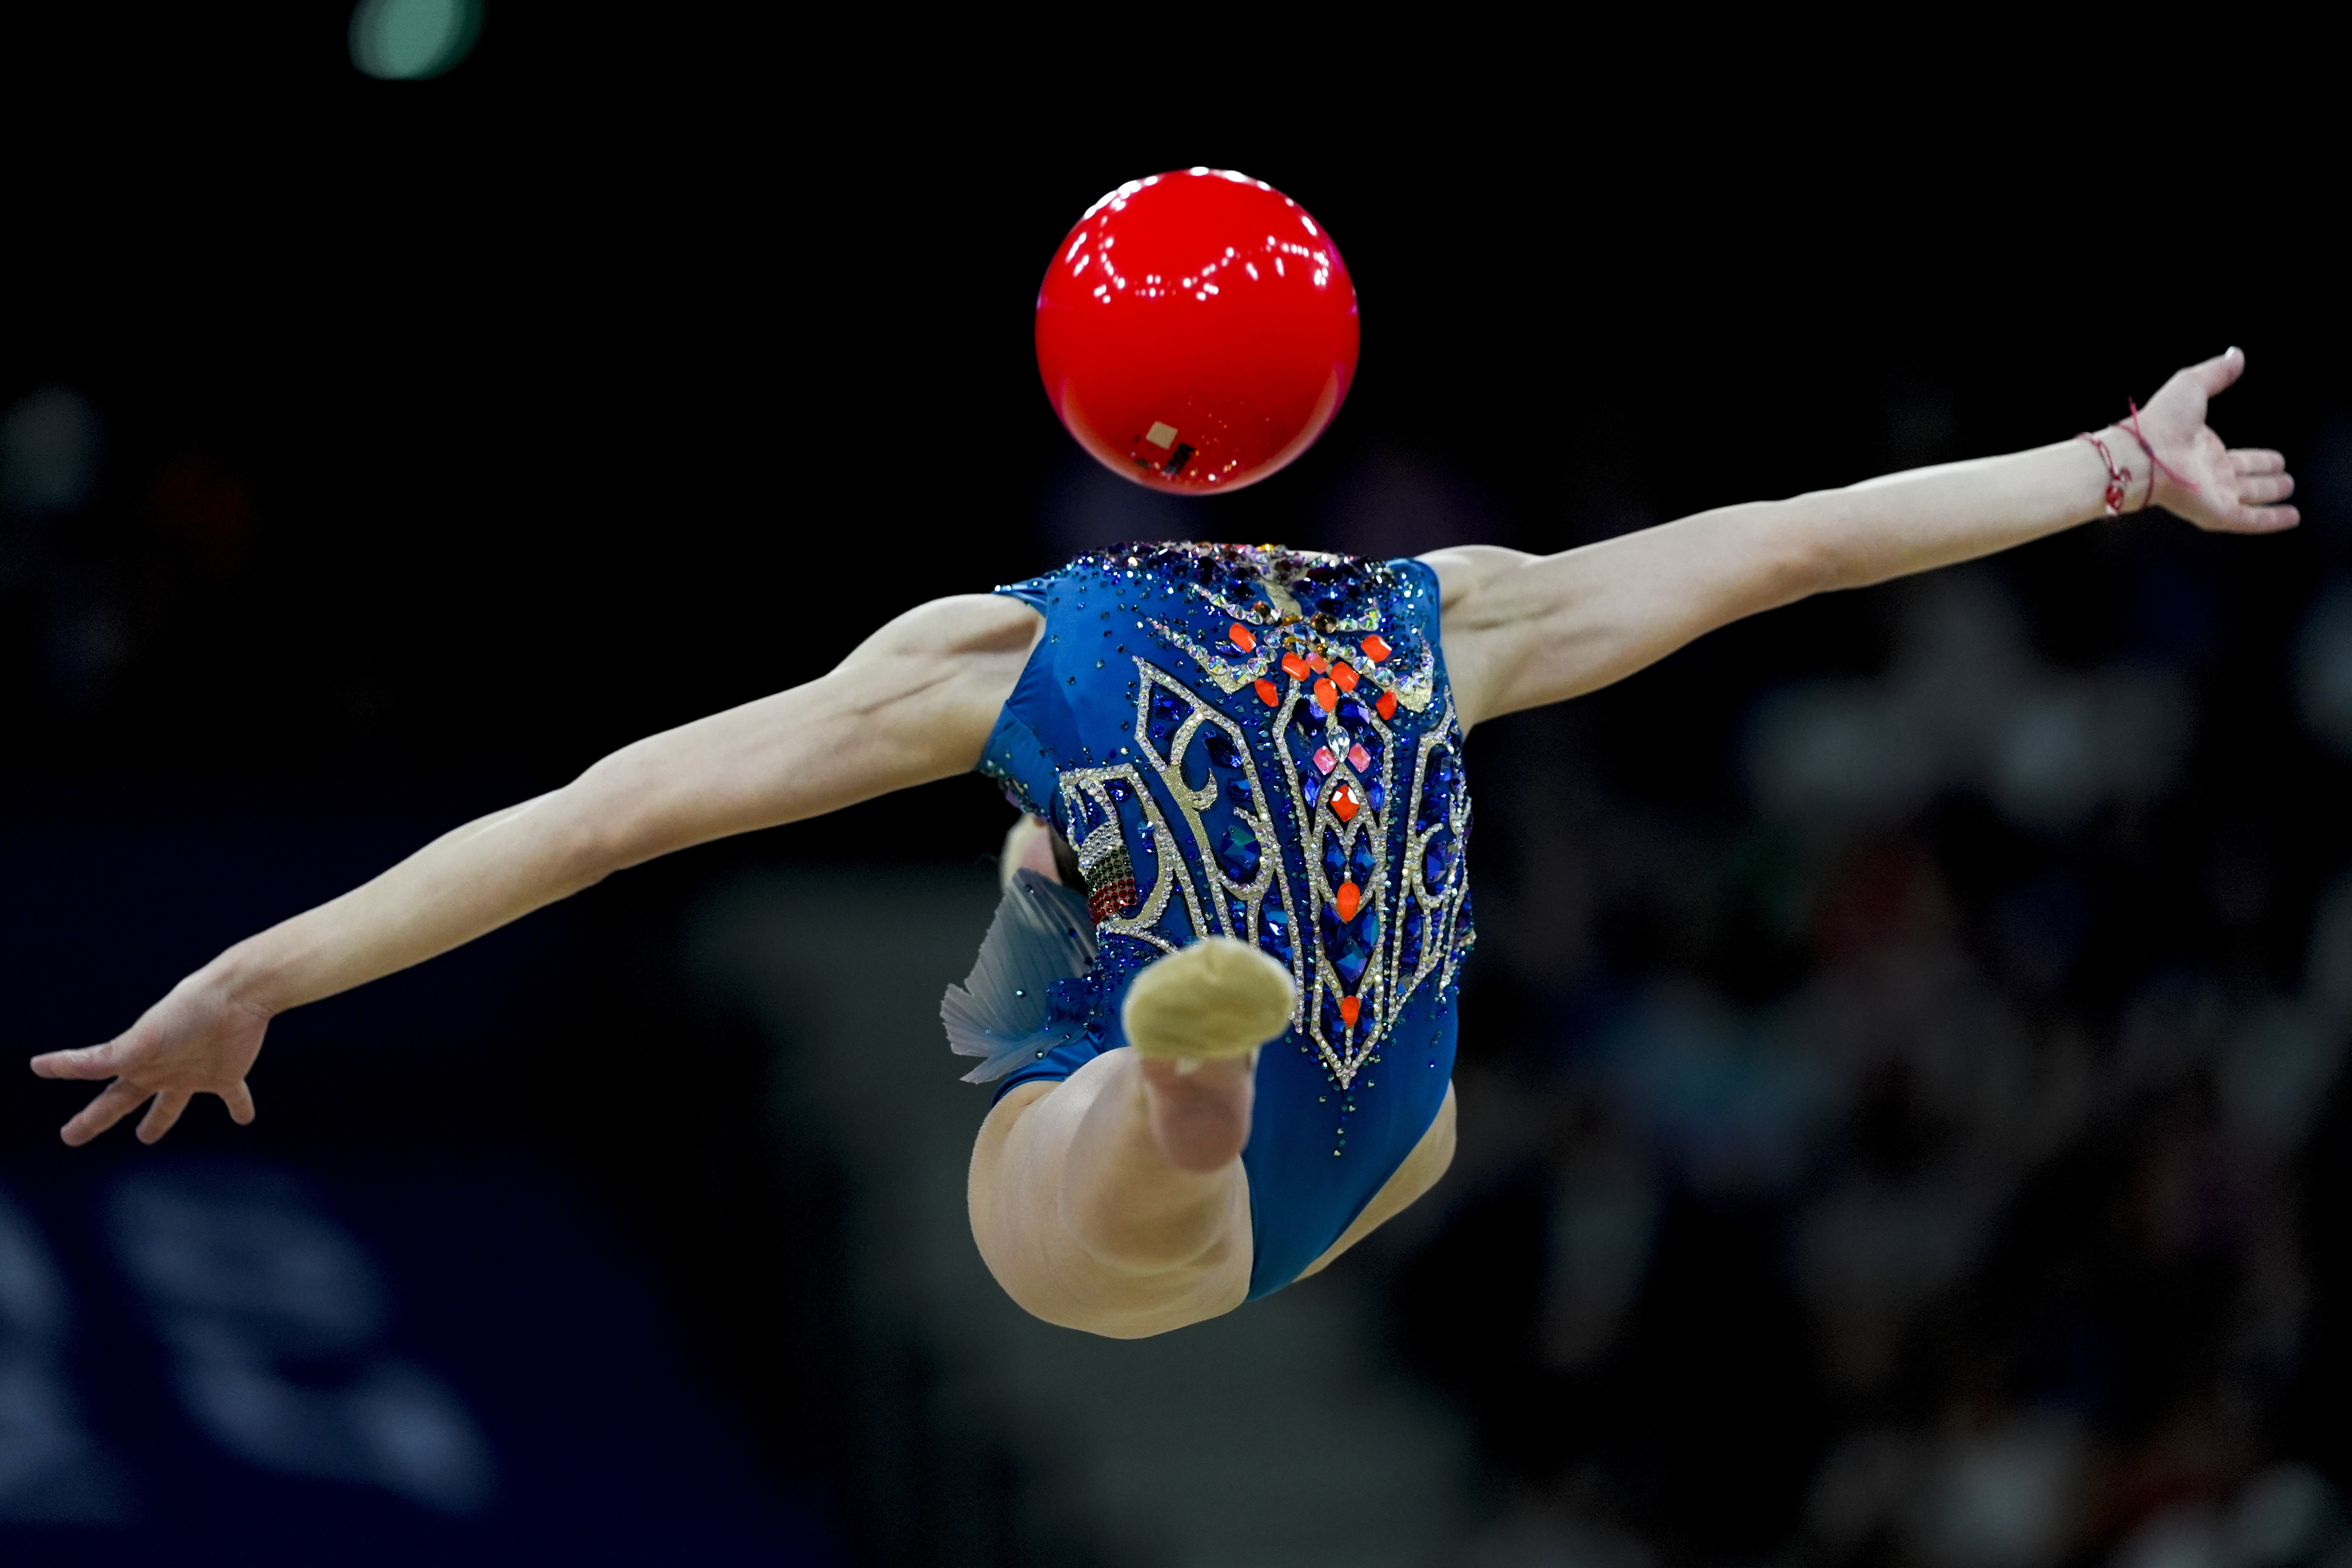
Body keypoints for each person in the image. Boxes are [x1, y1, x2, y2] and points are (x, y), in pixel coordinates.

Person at [29, 349, 2297, 1339]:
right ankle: (1164, 1057)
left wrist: (264, 970)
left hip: (1161, 1171)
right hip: (1393, 1122)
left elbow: (601, 816)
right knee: (1084, 980)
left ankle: (1162, 1077)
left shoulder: (1000, 649)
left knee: (1071, 1099)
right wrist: (2114, 462)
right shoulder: (1447, 612)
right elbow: (1789, 542)